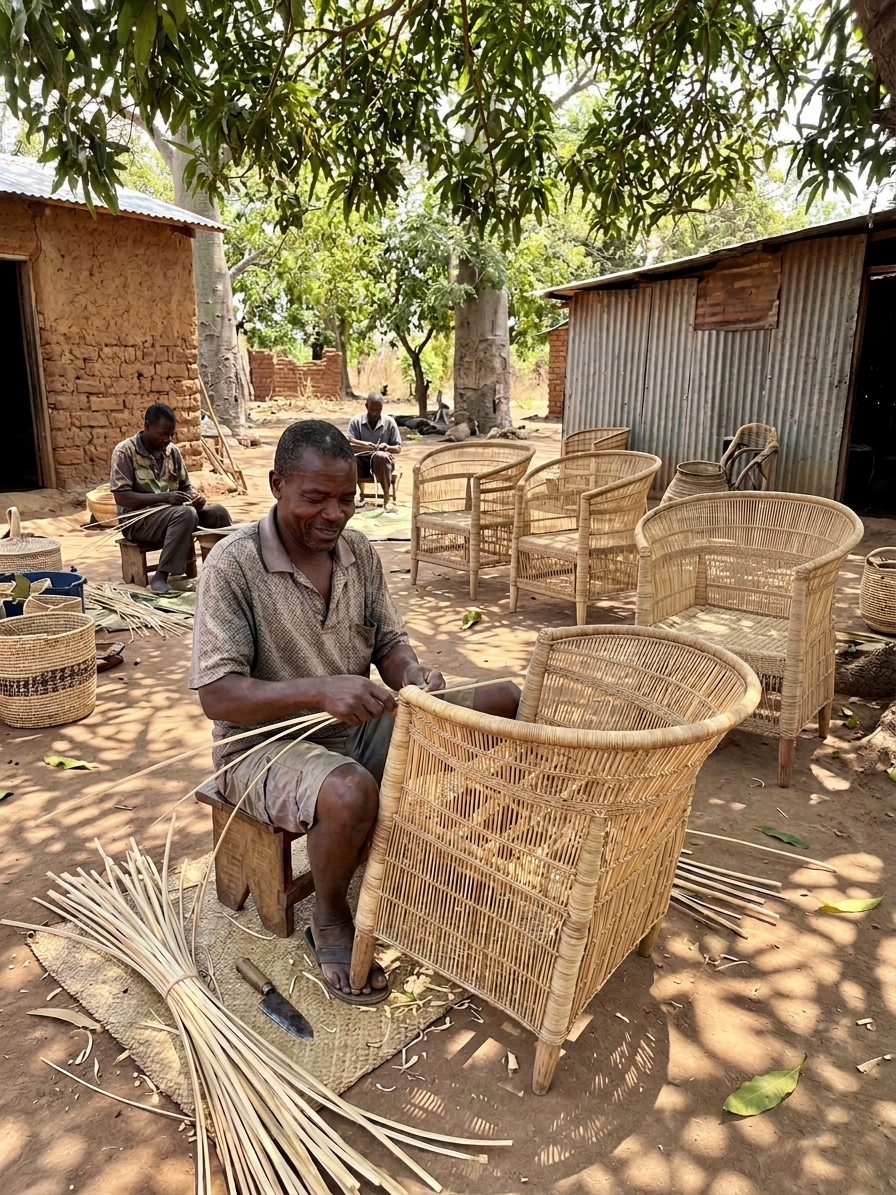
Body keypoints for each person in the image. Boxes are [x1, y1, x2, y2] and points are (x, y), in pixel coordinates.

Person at [190, 420, 519, 1004]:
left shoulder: (359, 552)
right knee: (348, 792)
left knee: (501, 702)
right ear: (277, 486)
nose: (333, 514)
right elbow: (218, 694)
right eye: (315, 498)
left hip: (355, 723)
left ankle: (426, 847)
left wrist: (412, 677)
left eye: (346, 498)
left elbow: (389, 643)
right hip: (262, 746)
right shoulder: (232, 566)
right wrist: (320, 691)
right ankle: (333, 911)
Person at [110, 403, 232, 593]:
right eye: (163, 434)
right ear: (147, 426)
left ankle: (219, 571)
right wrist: (165, 497)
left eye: (171, 435)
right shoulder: (125, 451)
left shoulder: (172, 452)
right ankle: (162, 575)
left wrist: (194, 497)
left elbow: (185, 487)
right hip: (137, 521)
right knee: (186, 514)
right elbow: (122, 497)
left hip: (174, 515)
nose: (167, 439)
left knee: (217, 512)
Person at [346, 392, 401, 509]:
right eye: (372, 409)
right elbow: (348, 444)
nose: (375, 413)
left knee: (381, 456)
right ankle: (360, 495)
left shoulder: (390, 422)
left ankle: (387, 499)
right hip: (362, 462)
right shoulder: (356, 421)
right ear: (366, 406)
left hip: (382, 464)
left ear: (382, 407)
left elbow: (398, 448)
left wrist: (387, 447)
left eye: (378, 410)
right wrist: (366, 446)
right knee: (350, 460)